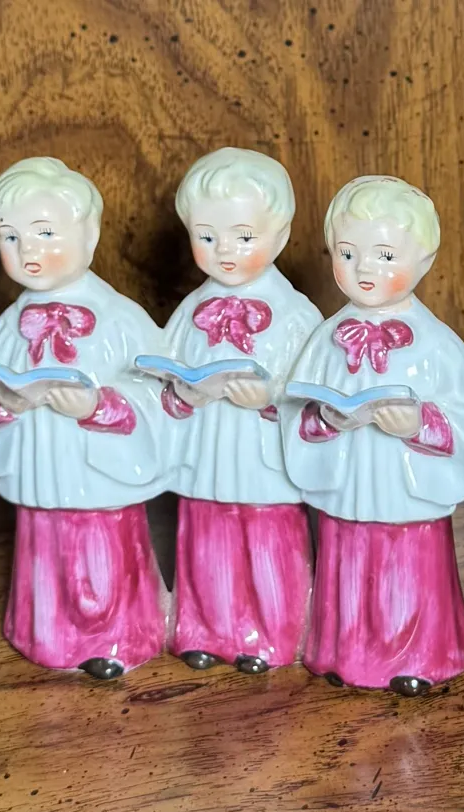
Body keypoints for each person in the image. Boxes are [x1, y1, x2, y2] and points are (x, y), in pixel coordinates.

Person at [280, 176, 464, 694]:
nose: (363, 269)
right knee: (348, 562)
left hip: (405, 494)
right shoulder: (324, 340)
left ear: (425, 261)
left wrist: (420, 424)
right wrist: (325, 420)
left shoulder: (437, 345)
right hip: (347, 485)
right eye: (347, 253)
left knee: (406, 568)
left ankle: (418, 654)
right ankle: (343, 650)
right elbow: (295, 407)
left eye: (385, 255)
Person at [0, 157, 170, 679]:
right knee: (44, 551)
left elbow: (161, 394)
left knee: (103, 554)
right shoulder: (9, 326)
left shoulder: (121, 319)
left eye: (45, 233)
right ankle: (45, 632)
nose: (27, 251)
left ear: (89, 234)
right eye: (11, 237)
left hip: (99, 480)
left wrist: (99, 407)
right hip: (39, 476)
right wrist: (2, 404)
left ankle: (117, 636)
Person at [155, 148, 323, 674]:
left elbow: (317, 391)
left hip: (263, 458)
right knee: (207, 541)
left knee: (266, 542)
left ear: (281, 235)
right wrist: (183, 394)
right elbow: (164, 376)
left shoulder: (296, 315)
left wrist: (271, 399)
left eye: (243, 237)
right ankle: (204, 628)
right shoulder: (190, 311)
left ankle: (273, 632)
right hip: (205, 454)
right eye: (206, 237)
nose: (224, 250)